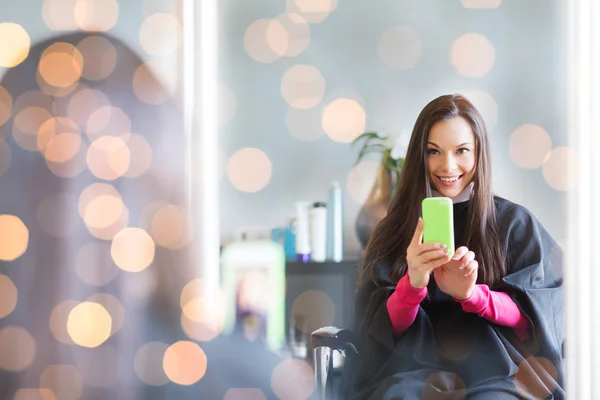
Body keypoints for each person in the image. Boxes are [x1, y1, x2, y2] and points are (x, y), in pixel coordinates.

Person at [342, 94, 564, 400]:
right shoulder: (393, 230)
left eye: (462, 151)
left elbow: (535, 317)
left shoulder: (514, 223)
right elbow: (377, 333)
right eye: (434, 151)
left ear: (478, 153)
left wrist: (473, 296)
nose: (448, 166)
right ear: (420, 154)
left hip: (497, 372)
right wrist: (413, 284)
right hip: (407, 373)